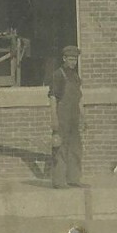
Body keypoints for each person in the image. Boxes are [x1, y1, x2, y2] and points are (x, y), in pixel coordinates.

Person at [47, 45, 84, 189]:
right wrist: (54, 119)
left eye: (75, 59)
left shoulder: (75, 77)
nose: (73, 62)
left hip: (74, 117)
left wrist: (83, 117)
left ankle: (73, 179)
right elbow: (52, 97)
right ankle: (59, 181)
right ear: (64, 59)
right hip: (62, 117)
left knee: (75, 147)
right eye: (70, 59)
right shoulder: (58, 75)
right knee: (60, 148)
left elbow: (79, 98)